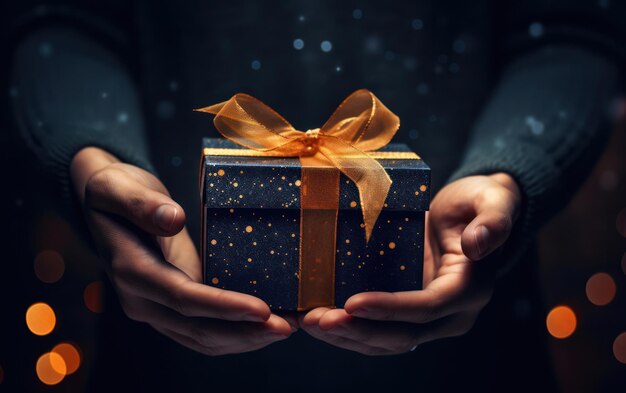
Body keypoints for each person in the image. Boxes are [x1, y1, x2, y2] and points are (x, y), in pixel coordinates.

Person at [6, 0, 624, 391]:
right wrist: (94, 159)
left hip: (471, 352)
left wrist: (510, 171)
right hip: (164, 352)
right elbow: (58, 21)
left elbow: (573, 31)